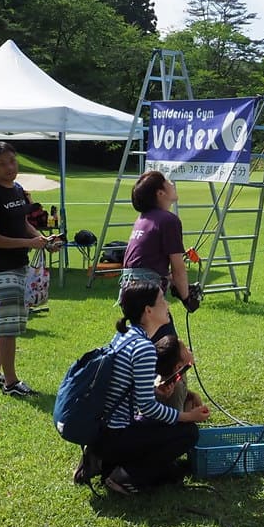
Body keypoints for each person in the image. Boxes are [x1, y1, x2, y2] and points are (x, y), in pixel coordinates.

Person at [76, 282, 210, 494]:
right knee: (188, 433)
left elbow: (127, 388)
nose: (167, 305)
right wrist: (188, 416)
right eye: (162, 300)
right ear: (148, 311)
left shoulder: (126, 335)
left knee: (165, 429)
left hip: (104, 429)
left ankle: (104, 460)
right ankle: (125, 476)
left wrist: (156, 391)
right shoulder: (144, 347)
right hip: (116, 433)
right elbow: (147, 407)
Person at [0, 143, 63, 397]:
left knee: (6, 323)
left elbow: (23, 223)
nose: (9, 168)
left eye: (12, 161)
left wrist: (43, 241)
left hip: (19, 264)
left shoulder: (17, 190)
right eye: (2, 164)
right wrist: (29, 243)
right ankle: (11, 383)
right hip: (1, 268)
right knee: (9, 328)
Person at [119, 170, 199, 311]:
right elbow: (178, 268)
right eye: (166, 182)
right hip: (147, 290)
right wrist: (187, 298)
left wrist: (175, 284)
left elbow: (145, 262)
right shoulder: (168, 220)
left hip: (128, 288)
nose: (171, 183)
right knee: (165, 326)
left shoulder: (142, 219)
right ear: (160, 193)